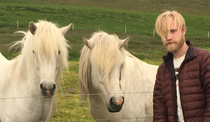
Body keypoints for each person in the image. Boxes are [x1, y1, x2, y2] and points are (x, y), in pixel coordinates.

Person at [153, 10, 210, 122]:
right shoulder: (162, 70)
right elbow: (159, 110)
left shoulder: (204, 59)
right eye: (164, 33)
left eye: (173, 31)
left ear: (184, 30)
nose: (168, 37)